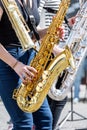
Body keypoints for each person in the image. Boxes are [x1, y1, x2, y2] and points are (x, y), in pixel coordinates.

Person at [0, 0, 64, 130]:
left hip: (30, 60)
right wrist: (16, 64)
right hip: (8, 63)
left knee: (45, 119)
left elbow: (30, 34)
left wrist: (49, 31)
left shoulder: (32, 1)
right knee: (23, 122)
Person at [38, 0, 76, 129]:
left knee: (58, 97)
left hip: (58, 47)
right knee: (53, 97)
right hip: (47, 50)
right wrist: (54, 49)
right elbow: (33, 24)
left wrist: (69, 22)